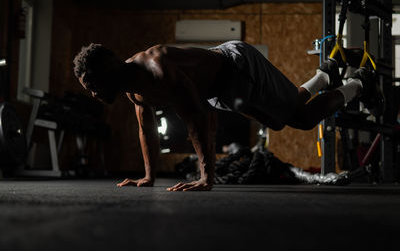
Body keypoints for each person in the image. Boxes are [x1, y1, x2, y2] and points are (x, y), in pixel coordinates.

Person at [73, 40, 376, 191]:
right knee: (280, 117)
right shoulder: (132, 89)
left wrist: (207, 177)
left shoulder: (157, 69)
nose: (93, 93)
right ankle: (325, 74)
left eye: (93, 85)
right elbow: (146, 129)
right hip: (219, 90)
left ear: (109, 69)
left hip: (237, 68)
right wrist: (149, 176)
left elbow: (197, 119)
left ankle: (360, 81)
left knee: (302, 119)